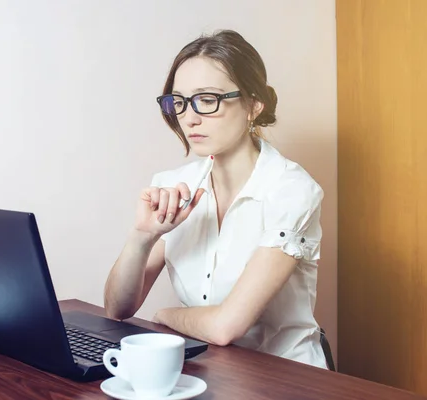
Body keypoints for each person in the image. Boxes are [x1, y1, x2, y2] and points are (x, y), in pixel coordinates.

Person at [103, 29, 328, 369]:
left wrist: (166, 316)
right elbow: (117, 309)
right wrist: (142, 236)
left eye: (207, 100)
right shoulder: (175, 186)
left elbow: (225, 327)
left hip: (287, 377)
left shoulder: (291, 191)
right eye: (178, 101)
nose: (189, 117)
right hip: (213, 372)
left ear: (253, 105)